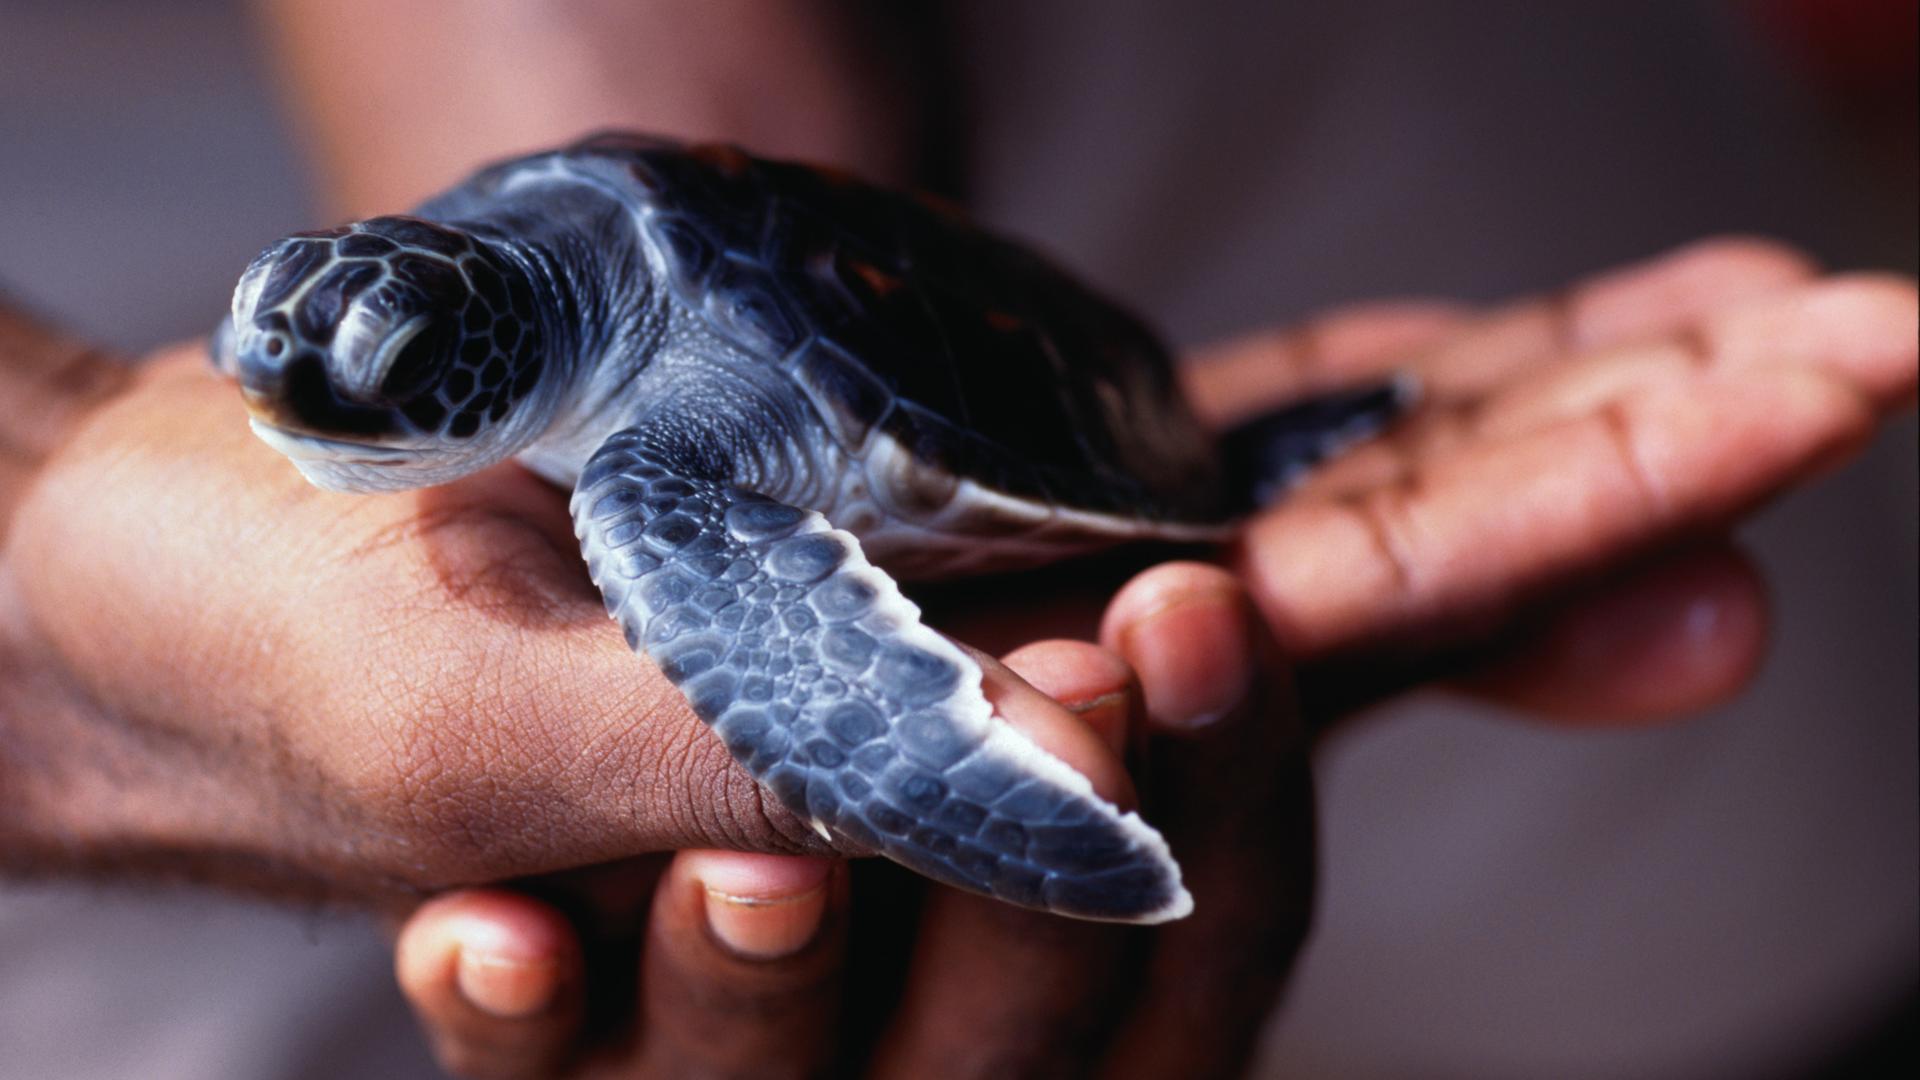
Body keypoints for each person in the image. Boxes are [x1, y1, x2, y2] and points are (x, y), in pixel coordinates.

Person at [1, 2, 1912, 1076]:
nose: (319, 417)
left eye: (399, 373)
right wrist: (43, 526)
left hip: (1169, 147)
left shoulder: (661, 458)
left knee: (1683, 939)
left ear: (499, 316)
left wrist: (920, 759)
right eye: (295, 374)